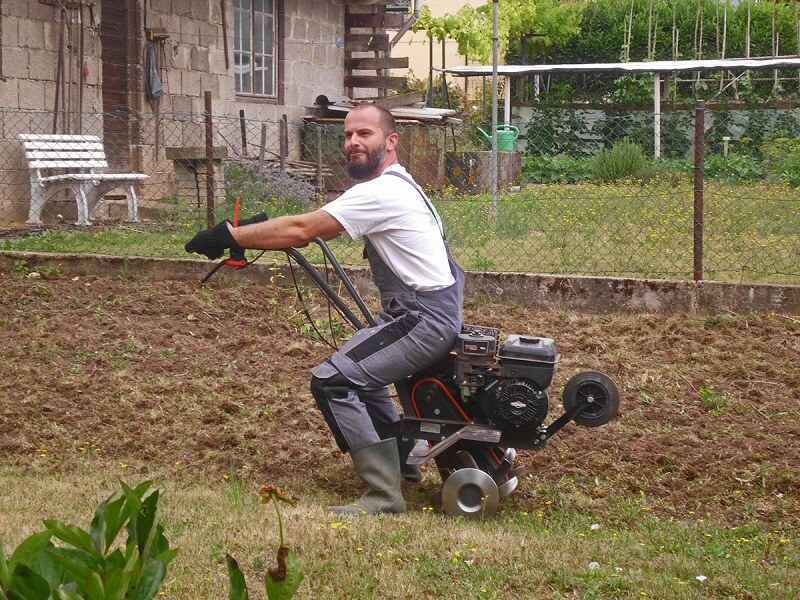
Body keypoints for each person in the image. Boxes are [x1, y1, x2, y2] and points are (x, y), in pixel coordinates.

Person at [185, 103, 465, 515]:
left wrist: (230, 236)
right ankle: (402, 466)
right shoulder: (402, 185)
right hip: (421, 313)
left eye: (364, 134)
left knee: (333, 381)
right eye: (348, 135)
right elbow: (306, 224)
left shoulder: (383, 191)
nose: (352, 142)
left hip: (423, 319)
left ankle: (383, 495)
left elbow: (302, 229)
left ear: (391, 142)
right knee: (361, 376)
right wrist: (256, 233)